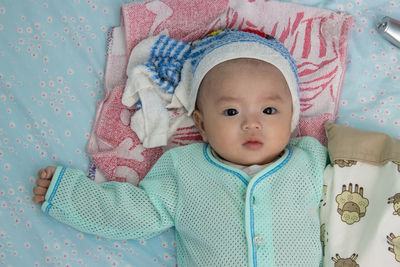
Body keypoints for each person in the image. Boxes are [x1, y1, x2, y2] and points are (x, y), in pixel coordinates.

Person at [33, 30, 328, 266]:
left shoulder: (312, 161)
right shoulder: (184, 170)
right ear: (201, 124)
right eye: (230, 112)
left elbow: (357, 205)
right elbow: (134, 212)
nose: (251, 124)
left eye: (268, 111)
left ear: (292, 116)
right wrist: (67, 194)